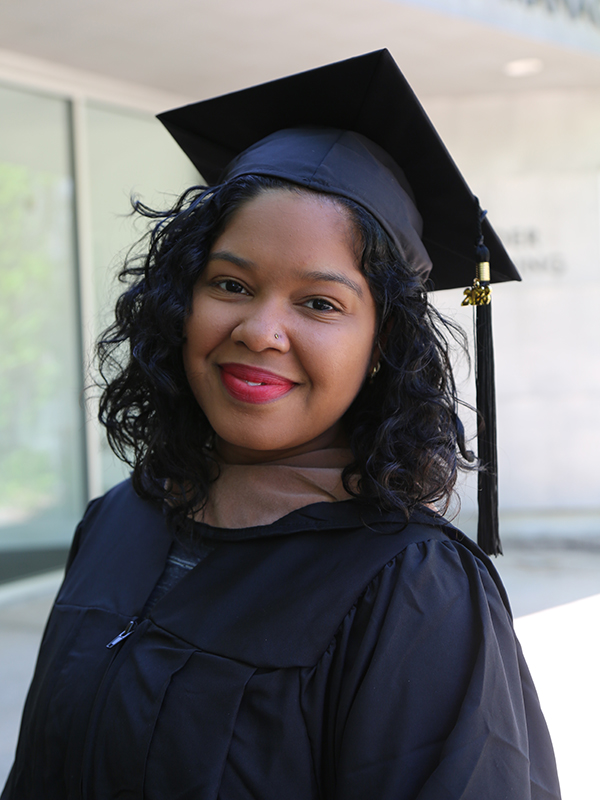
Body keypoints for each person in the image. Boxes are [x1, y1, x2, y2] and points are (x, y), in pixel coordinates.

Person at [2, 50, 561, 799]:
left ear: (382, 346)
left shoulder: (411, 588)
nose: (261, 330)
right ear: (182, 303)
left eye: (320, 303)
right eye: (231, 284)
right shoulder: (119, 521)